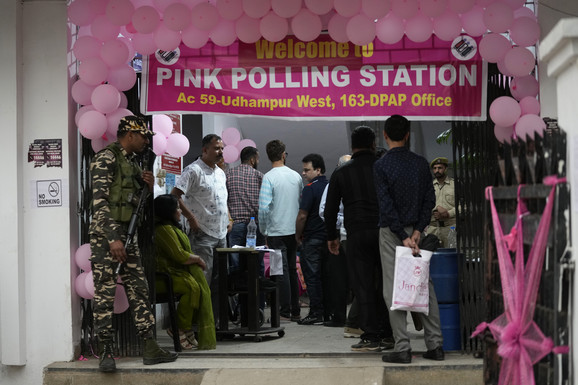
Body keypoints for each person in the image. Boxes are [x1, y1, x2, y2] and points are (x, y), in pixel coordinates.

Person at [89, 116, 178, 372]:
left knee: (139, 289)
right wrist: (113, 238)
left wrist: (148, 186)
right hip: (108, 237)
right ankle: (106, 350)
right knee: (105, 292)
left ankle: (149, 346)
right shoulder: (106, 158)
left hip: (128, 236)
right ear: (129, 135)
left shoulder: (131, 162)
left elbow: (133, 199)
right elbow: (99, 203)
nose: (146, 141)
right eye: (142, 136)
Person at [374, 115, 444, 364]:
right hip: (417, 231)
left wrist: (402, 236)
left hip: (391, 234)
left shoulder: (381, 166)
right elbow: (429, 200)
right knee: (424, 285)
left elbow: (386, 204)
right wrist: (416, 231)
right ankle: (435, 345)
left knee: (394, 288)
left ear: (385, 135)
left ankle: (402, 347)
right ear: (407, 135)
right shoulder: (421, 163)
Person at [324, 126, 393, 352]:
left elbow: (331, 209)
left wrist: (332, 237)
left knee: (362, 285)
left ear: (352, 146)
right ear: (373, 144)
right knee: (385, 283)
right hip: (385, 232)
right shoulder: (384, 167)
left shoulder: (341, 172)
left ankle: (370, 336)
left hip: (356, 235)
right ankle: (388, 334)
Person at [170, 134, 231, 323]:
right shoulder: (193, 170)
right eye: (216, 148)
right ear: (205, 150)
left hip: (221, 232)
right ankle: (192, 324)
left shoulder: (220, 172)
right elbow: (174, 196)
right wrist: (190, 217)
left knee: (219, 281)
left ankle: (213, 322)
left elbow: (222, 198)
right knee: (202, 280)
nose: (220, 152)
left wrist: (229, 217)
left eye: (222, 148)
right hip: (202, 233)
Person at [153, 194, 216, 350]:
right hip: (162, 277)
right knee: (191, 287)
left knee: (197, 287)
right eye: (177, 208)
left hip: (174, 273)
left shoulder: (172, 227)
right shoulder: (163, 230)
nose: (180, 211)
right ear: (169, 212)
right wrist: (198, 260)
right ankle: (179, 328)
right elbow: (179, 255)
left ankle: (186, 328)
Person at [258, 140, 303, 322]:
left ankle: (283, 312)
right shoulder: (296, 177)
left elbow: (263, 208)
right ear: (284, 154)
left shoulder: (269, 177)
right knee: (292, 270)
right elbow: (301, 203)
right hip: (293, 230)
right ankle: (295, 310)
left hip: (276, 233)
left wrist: (264, 230)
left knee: (279, 271)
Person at [295, 154, 329, 325]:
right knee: (326, 276)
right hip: (329, 238)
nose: (303, 173)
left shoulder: (309, 188)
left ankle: (316, 312)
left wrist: (297, 235)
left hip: (312, 237)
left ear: (318, 170)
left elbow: (302, 215)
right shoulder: (330, 186)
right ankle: (327, 311)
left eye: (307, 170)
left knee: (312, 276)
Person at [318, 154, 351, 330]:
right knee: (338, 279)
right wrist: (343, 221)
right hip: (338, 234)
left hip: (354, 234)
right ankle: (339, 316)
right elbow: (324, 211)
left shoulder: (357, 184)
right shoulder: (331, 185)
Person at [225, 146, 264, 274]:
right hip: (256, 226)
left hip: (235, 225)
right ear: (252, 160)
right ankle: (256, 292)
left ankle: (236, 291)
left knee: (235, 264)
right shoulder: (260, 177)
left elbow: (223, 200)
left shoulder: (228, 174)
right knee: (256, 264)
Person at [425, 157, 456, 247]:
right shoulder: (429, 186)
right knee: (431, 256)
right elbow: (423, 205)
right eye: (434, 168)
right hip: (432, 227)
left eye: (440, 168)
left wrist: (448, 214)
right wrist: (435, 209)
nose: (437, 170)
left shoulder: (455, 185)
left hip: (450, 227)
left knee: (451, 255)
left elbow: (464, 206)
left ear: (445, 169)